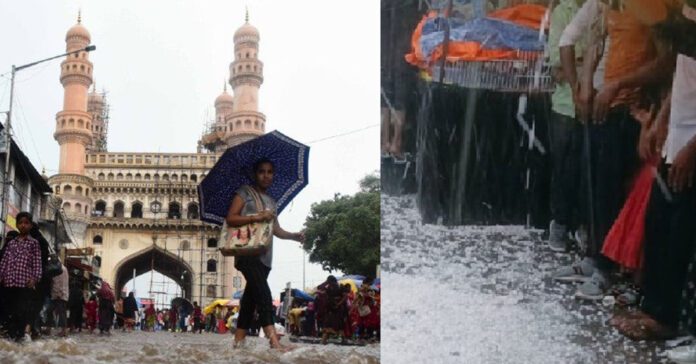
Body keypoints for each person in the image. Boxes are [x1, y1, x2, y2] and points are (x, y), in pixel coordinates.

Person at [226, 158, 305, 351]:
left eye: (270, 172)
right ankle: (274, 342)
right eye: (262, 171)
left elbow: (275, 229)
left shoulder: (272, 201)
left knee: (250, 301)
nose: (266, 175)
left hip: (264, 255)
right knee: (263, 294)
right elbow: (231, 218)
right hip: (246, 253)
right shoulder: (244, 193)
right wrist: (257, 216)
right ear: (255, 174)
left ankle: (238, 342)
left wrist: (295, 236)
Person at [545, 0, 586, 252]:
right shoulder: (562, 13)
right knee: (564, 170)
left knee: (585, 171)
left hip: (593, 105)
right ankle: (559, 225)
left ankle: (584, 226)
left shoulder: (602, 10)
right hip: (565, 106)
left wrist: (576, 61)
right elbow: (556, 65)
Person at [0, 212, 42, 341]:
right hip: (9, 282)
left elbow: (37, 263)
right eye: (20, 223)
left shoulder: (33, 243)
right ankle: (11, 336)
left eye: (26, 223)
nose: (23, 225)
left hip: (24, 283)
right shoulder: (11, 243)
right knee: (9, 310)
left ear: (30, 225)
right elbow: (4, 261)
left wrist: (34, 278)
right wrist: (1, 276)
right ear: (17, 225)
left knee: (21, 312)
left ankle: (19, 336)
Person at [48, 264, 69, 337]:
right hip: (57, 294)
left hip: (60, 295)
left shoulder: (60, 269)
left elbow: (61, 282)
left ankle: (63, 331)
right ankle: (50, 328)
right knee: (52, 311)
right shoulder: (61, 268)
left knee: (61, 313)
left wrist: (60, 293)